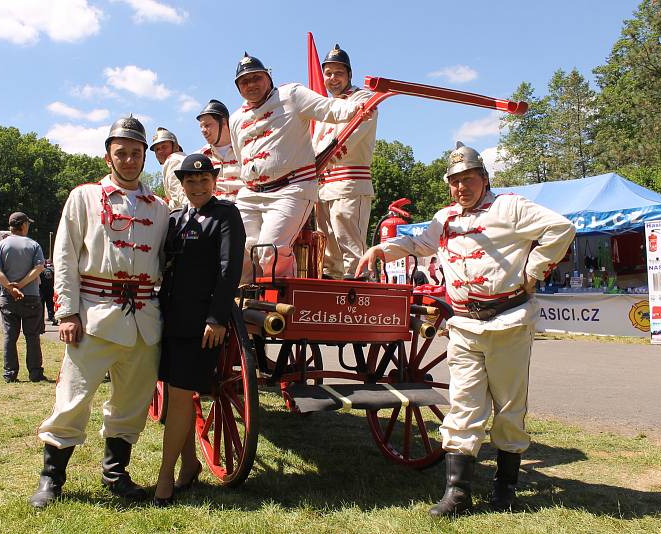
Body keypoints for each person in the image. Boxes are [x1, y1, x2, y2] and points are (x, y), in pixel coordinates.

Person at [356, 142, 576, 516]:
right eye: (455, 181)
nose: (462, 187)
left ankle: (505, 490)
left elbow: (561, 228)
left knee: (508, 407)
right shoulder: (445, 219)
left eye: (468, 179)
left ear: (484, 179)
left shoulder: (511, 207)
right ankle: (457, 494)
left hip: (508, 321)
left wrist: (534, 269)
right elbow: (419, 243)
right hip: (463, 325)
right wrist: (382, 251)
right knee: (463, 407)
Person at [30, 115, 170, 509]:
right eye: (121, 153)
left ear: (145, 157)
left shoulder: (160, 208)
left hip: (144, 319)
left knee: (133, 402)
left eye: (136, 153)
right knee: (72, 398)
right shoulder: (83, 197)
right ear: (108, 156)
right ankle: (51, 479)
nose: (128, 160)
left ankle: (115, 474)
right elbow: (65, 257)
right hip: (94, 314)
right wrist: (67, 313)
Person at [153, 154, 245, 506]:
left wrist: (217, 317)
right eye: (190, 181)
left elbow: (228, 268)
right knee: (177, 394)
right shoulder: (175, 218)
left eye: (204, 179)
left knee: (178, 395)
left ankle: (165, 478)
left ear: (214, 181)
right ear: (182, 184)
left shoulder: (225, 215)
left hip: (200, 323)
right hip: (170, 318)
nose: (197, 186)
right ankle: (190, 464)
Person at [229, 52, 371, 280]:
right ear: (238, 88)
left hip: (290, 189)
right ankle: (246, 305)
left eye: (257, 78)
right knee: (240, 251)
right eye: (245, 81)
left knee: (269, 251)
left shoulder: (292, 94)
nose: (251, 84)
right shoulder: (235, 118)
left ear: (269, 77)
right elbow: (240, 155)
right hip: (251, 193)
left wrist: (360, 107)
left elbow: (330, 109)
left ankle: (283, 300)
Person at [312, 44, 379, 280]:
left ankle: (358, 298)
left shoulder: (362, 99)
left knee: (351, 249)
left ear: (349, 74)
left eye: (339, 73)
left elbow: (341, 141)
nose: (332, 78)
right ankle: (332, 297)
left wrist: (316, 161)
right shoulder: (325, 108)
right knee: (328, 253)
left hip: (350, 181)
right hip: (323, 187)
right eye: (328, 73)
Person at [0, 212, 47, 383]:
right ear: (23, 225)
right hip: (31, 296)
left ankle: (10, 373)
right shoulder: (34, 245)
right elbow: (39, 268)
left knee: (9, 336)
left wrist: (10, 287)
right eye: (28, 224)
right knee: (32, 336)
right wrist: (21, 285)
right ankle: (35, 373)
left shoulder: (1, 246)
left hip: (7, 297)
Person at [195, 99, 244, 203]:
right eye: (201, 126)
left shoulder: (246, 150)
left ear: (224, 122)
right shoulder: (199, 157)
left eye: (207, 125)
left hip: (245, 210)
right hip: (212, 214)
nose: (203, 130)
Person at [151, 127, 187, 209]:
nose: (160, 151)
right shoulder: (182, 158)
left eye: (164, 147)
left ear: (175, 147)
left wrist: (161, 205)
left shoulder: (173, 160)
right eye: (157, 149)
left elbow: (178, 198)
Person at [39, 260, 57, 325]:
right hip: (50, 291)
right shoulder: (52, 271)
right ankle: (53, 318)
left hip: (41, 291)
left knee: (41, 308)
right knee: (50, 306)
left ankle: (41, 324)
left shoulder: (39, 272)